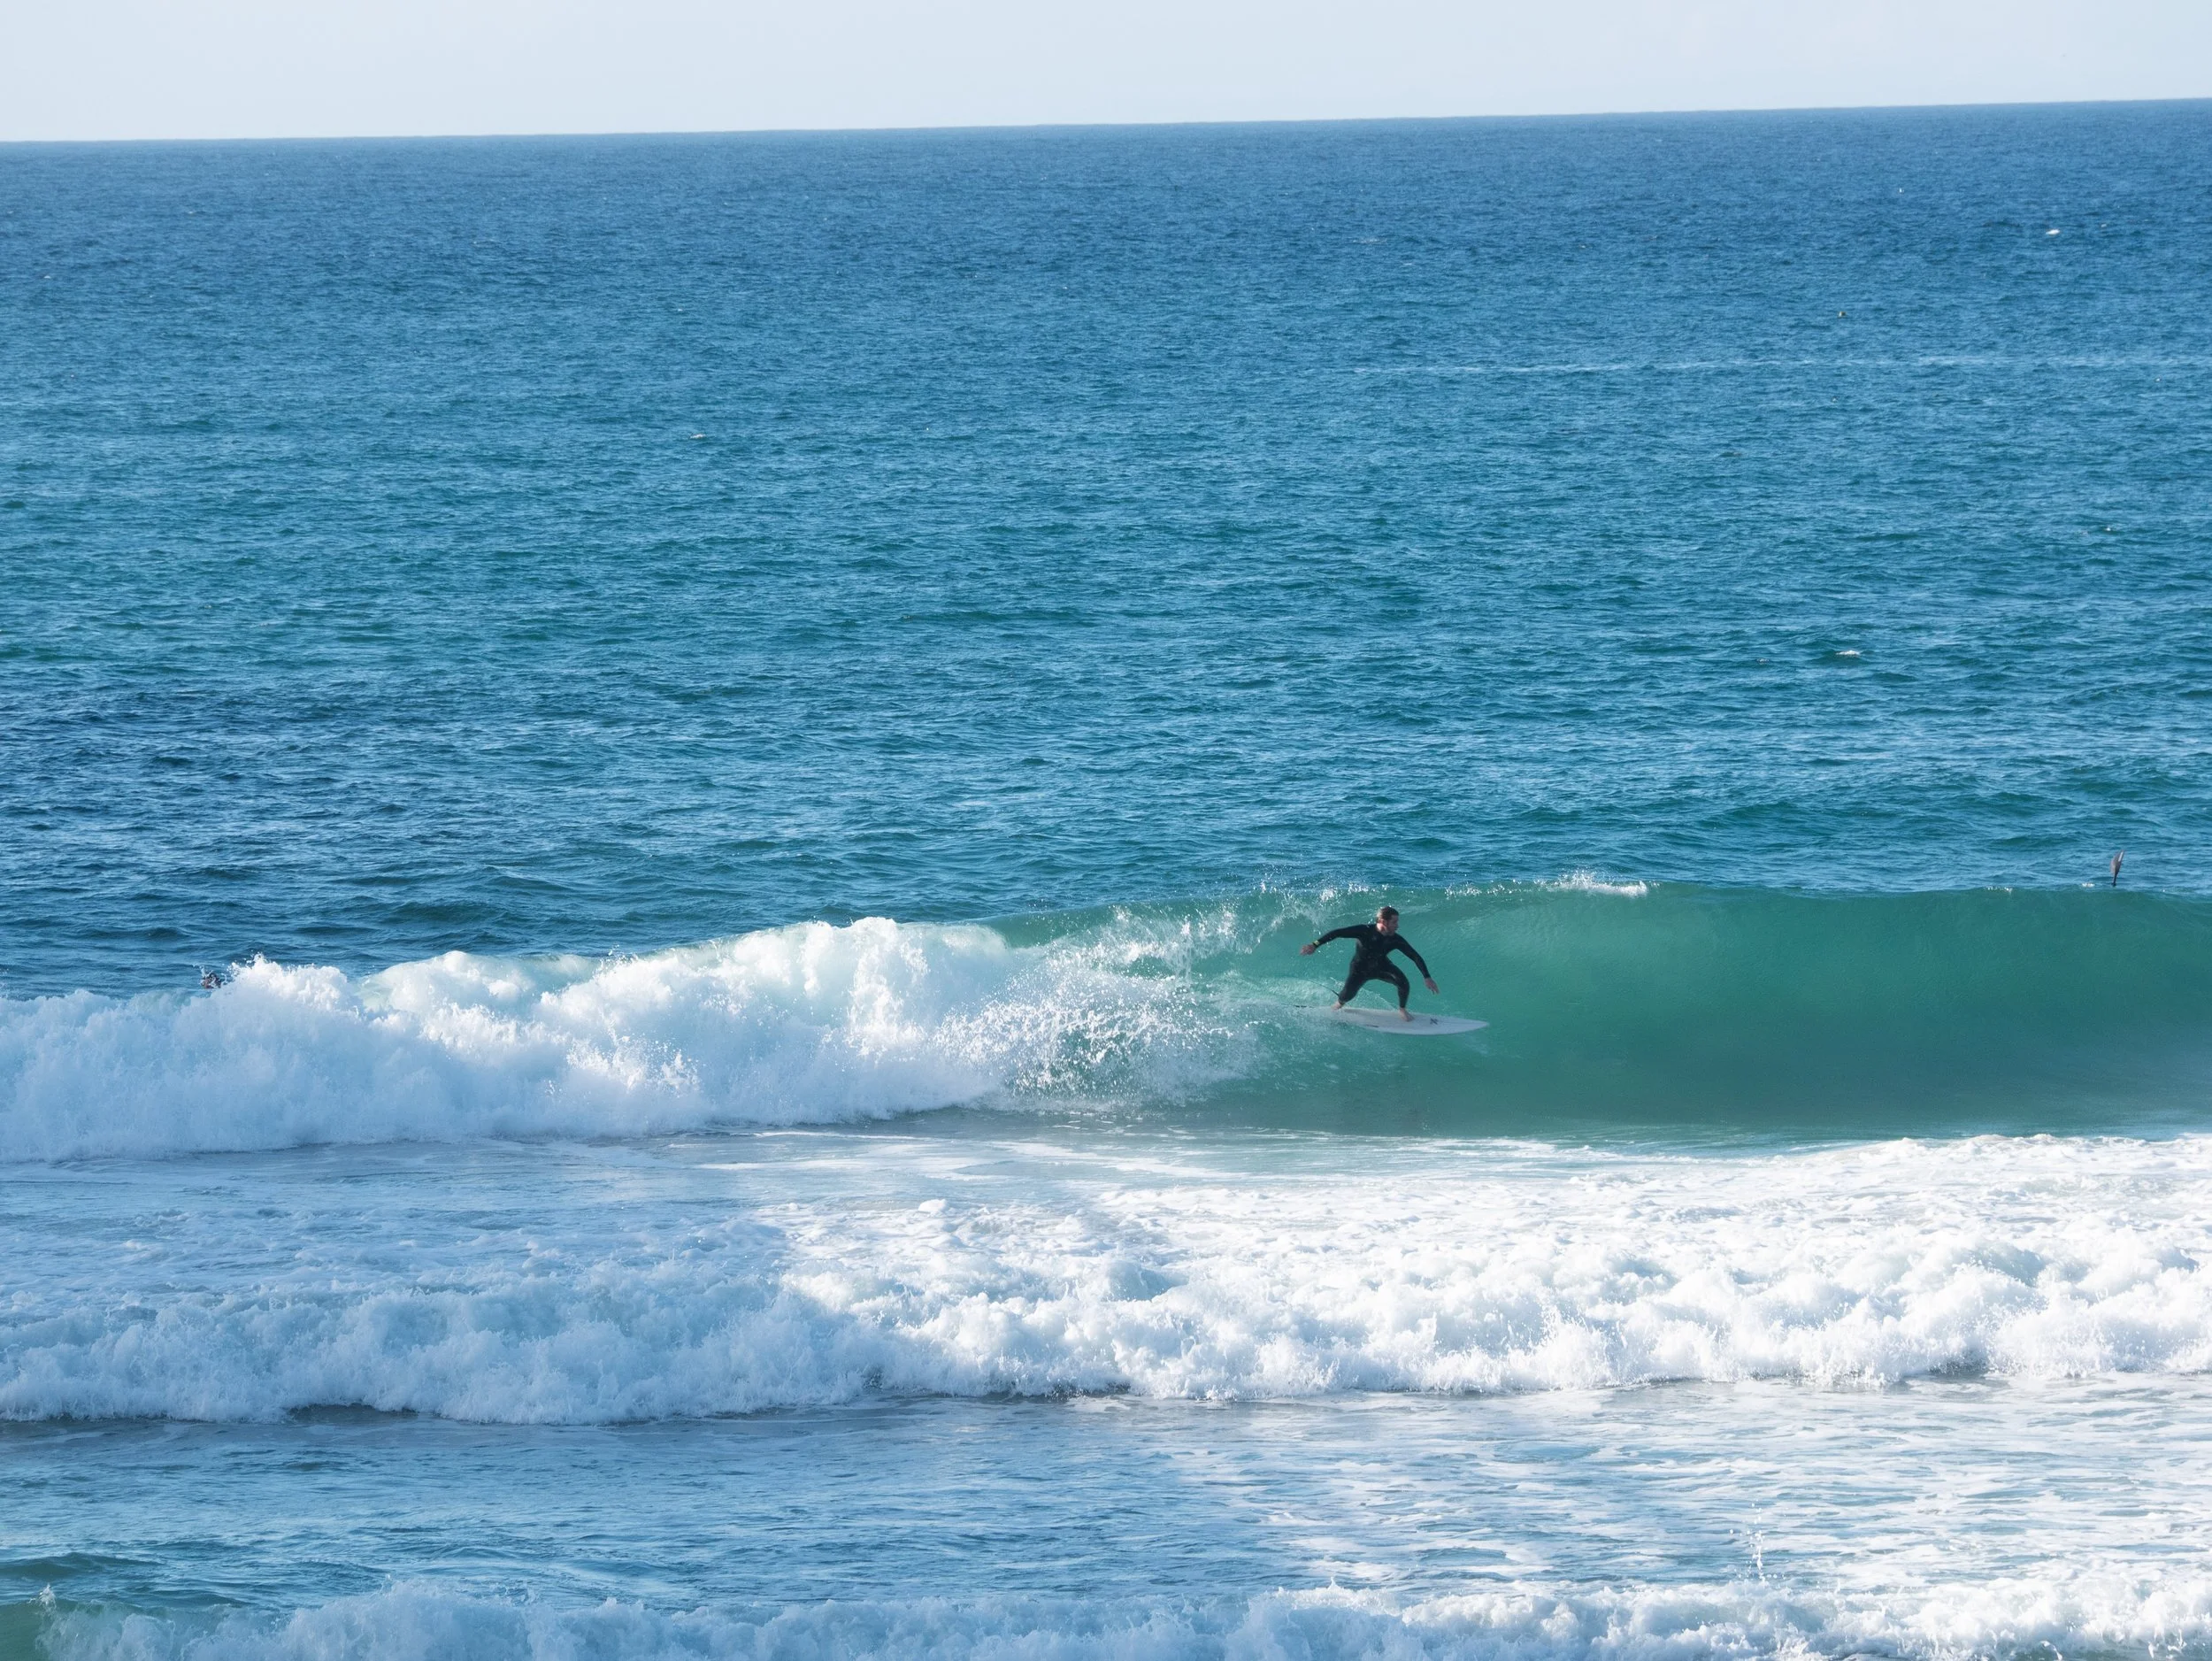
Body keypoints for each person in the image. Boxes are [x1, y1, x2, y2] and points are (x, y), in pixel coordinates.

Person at [1301, 905, 1438, 1020]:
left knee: (1403, 982)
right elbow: (1337, 933)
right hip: (1359, 970)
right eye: (1394, 922)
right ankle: (1337, 1005)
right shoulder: (1365, 931)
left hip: (1382, 967)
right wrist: (1315, 944)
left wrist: (1427, 977)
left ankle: (1402, 1010)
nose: (1397, 926)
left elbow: (1414, 955)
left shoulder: (1395, 939)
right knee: (1347, 995)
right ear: (1384, 922)